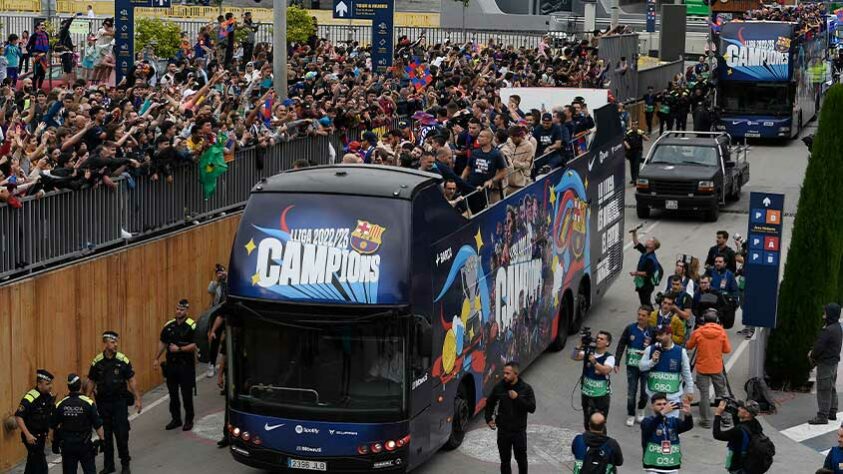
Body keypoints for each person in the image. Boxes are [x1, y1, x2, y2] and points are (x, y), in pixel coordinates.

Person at [86, 331, 142, 474]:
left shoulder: (123, 360)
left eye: (116, 342)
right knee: (106, 436)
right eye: (112, 342)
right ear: (105, 343)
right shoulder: (97, 362)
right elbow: (91, 380)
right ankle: (109, 465)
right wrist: (86, 399)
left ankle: (125, 464)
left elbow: (131, 380)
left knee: (122, 434)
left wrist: (137, 398)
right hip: (103, 404)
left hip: (119, 403)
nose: (116, 344)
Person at [484, 361, 536, 474]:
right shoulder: (499, 387)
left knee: (521, 460)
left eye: (508, 373)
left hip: (519, 432)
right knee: (505, 461)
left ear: (516, 373)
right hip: (503, 431)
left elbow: (532, 408)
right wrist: (488, 418)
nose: (505, 376)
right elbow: (489, 403)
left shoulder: (526, 389)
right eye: (504, 373)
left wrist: (517, 398)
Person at [154, 298, 198, 431]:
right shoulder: (169, 325)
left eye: (182, 310)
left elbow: (196, 345)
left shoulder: (192, 325)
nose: (178, 312)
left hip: (186, 366)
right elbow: (163, 342)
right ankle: (176, 419)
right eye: (177, 309)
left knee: (186, 395)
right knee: (173, 395)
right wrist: (156, 358)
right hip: (172, 366)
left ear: (187, 310)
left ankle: (189, 420)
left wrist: (179, 349)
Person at [51, 373, 105, 474]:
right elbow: (98, 424)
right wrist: (102, 440)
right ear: (80, 385)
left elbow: (53, 425)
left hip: (68, 447)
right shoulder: (88, 403)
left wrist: (54, 442)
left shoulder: (61, 404)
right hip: (85, 446)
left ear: (68, 387)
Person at [686, 309, 731, 428]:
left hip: (702, 368)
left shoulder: (699, 331)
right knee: (722, 394)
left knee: (704, 395)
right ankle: (725, 418)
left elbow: (689, 346)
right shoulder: (721, 332)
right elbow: (727, 350)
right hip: (717, 367)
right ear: (716, 320)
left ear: (703, 320)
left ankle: (705, 421)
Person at [639, 325, 694, 412]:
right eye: (657, 335)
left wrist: (690, 390)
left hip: (673, 396)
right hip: (655, 397)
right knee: (657, 424)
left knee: (672, 423)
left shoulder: (680, 352)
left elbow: (686, 372)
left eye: (661, 335)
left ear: (669, 335)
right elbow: (641, 367)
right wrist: (652, 361)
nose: (658, 337)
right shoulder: (650, 349)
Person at [615, 306, 652, 427]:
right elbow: (621, 344)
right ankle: (631, 414)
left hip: (646, 367)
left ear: (648, 317)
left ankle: (641, 409)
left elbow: (657, 347)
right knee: (631, 392)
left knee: (644, 392)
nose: (640, 317)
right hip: (632, 366)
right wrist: (617, 361)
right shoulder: (630, 329)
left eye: (643, 315)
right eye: (639, 314)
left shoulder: (653, 331)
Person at [640, 392, 694, 473]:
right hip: (653, 466)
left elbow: (688, 426)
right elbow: (649, 428)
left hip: (671, 465)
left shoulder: (673, 421)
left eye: (664, 404)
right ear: (652, 406)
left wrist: (688, 414)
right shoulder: (647, 421)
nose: (662, 406)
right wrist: (662, 413)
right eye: (659, 404)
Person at [713, 399, 771, 474]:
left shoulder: (739, 431)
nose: (739, 409)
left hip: (739, 467)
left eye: (742, 408)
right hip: (750, 463)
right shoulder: (755, 424)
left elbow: (717, 435)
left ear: (747, 414)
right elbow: (740, 425)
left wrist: (718, 414)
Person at [572, 330, 615, 429]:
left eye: (602, 339)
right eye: (598, 338)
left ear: (607, 343)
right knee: (587, 422)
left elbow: (606, 370)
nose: (598, 340)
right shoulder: (588, 351)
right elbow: (574, 356)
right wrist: (579, 344)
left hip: (601, 395)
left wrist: (594, 362)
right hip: (586, 394)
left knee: (600, 423)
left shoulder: (609, 357)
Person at [808, 303, 843, 424]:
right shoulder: (837, 327)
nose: (824, 314)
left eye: (826, 312)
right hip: (833, 363)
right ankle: (832, 412)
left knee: (823, 389)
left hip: (825, 363)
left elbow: (819, 347)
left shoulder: (828, 330)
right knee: (831, 387)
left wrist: (811, 355)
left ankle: (822, 416)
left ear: (830, 314)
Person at [15, 369, 54, 474]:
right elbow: (18, 416)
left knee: (32, 463)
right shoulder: (30, 397)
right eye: (47, 384)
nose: (50, 386)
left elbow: (48, 416)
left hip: (41, 436)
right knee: (41, 465)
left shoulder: (49, 396)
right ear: (39, 383)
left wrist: (48, 433)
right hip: (31, 436)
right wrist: (27, 435)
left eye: (50, 383)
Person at [461, 129, 507, 213]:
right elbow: (468, 168)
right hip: (470, 186)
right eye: (479, 136)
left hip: (483, 189)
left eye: (482, 136)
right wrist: (461, 180)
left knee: (479, 211)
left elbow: (503, 172)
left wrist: (492, 180)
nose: (479, 138)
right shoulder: (474, 152)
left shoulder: (496, 154)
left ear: (489, 139)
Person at [630, 227, 661, 306]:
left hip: (646, 285)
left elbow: (647, 273)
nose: (647, 240)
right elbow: (637, 244)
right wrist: (634, 233)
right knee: (644, 301)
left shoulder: (651, 259)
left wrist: (636, 273)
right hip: (643, 283)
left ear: (652, 246)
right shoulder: (646, 251)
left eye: (650, 241)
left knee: (645, 302)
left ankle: (651, 316)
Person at [206, 263, 227, 378]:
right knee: (214, 338)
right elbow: (211, 293)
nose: (220, 275)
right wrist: (218, 280)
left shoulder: (229, 282)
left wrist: (226, 276)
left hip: (227, 312)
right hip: (217, 312)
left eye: (222, 272)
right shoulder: (214, 285)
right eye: (218, 273)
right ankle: (212, 363)